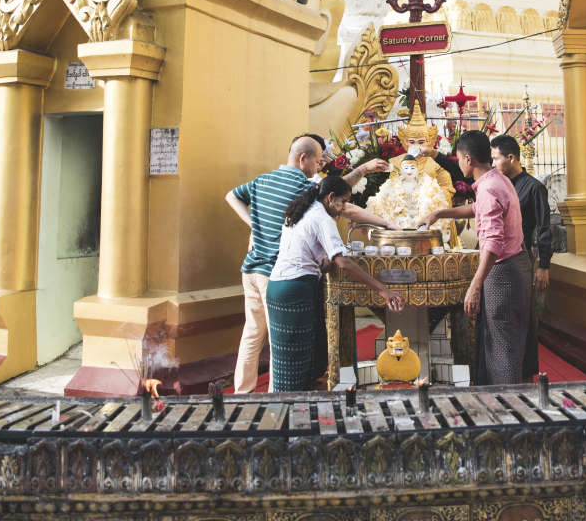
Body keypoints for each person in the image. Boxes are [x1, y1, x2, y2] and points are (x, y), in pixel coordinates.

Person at [225, 136, 387, 393]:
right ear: (303, 159)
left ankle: (242, 394)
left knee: (253, 334)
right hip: (274, 272)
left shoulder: (261, 181)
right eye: (317, 161)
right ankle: (274, 403)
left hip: (251, 269)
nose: (320, 167)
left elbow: (231, 196)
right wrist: (388, 224)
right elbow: (342, 202)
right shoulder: (304, 188)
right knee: (281, 345)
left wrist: (252, 224)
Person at [267, 176, 404, 391]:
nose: (342, 210)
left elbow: (311, 255)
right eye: (343, 202)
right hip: (296, 288)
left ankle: (286, 410)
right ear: (331, 198)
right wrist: (383, 290)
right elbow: (344, 262)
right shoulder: (321, 217)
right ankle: (296, 409)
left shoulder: (300, 211)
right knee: (299, 359)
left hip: (277, 286)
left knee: (285, 360)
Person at [419, 130, 527, 385]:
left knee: (501, 345)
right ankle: (502, 402)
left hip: (502, 271)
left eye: (458, 159)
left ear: (468, 159)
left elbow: (492, 243)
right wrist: (440, 213)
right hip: (515, 266)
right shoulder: (497, 180)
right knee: (503, 340)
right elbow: (478, 209)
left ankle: (507, 408)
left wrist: (475, 285)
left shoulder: (489, 188)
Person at [490, 134, 553, 378]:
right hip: (499, 260)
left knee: (523, 318)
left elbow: (544, 228)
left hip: (522, 260)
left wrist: (543, 266)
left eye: (496, 159)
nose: (493, 164)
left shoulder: (533, 187)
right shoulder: (498, 184)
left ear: (511, 158)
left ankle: (525, 374)